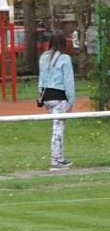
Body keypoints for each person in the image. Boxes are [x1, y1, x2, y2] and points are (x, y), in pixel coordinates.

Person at [38, 30, 75, 171]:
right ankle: (56, 161)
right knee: (58, 129)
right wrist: (71, 101)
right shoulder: (65, 58)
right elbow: (68, 81)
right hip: (59, 97)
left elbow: (41, 79)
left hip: (47, 97)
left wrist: (40, 95)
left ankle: (59, 158)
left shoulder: (43, 57)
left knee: (56, 128)